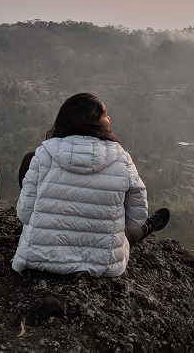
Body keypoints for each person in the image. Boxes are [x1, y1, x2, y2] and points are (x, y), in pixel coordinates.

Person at [12, 92, 170, 277]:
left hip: (39, 260)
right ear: (91, 120)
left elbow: (24, 214)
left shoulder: (42, 154)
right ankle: (145, 230)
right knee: (124, 221)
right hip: (104, 264)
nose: (109, 118)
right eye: (105, 114)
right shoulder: (122, 159)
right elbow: (136, 219)